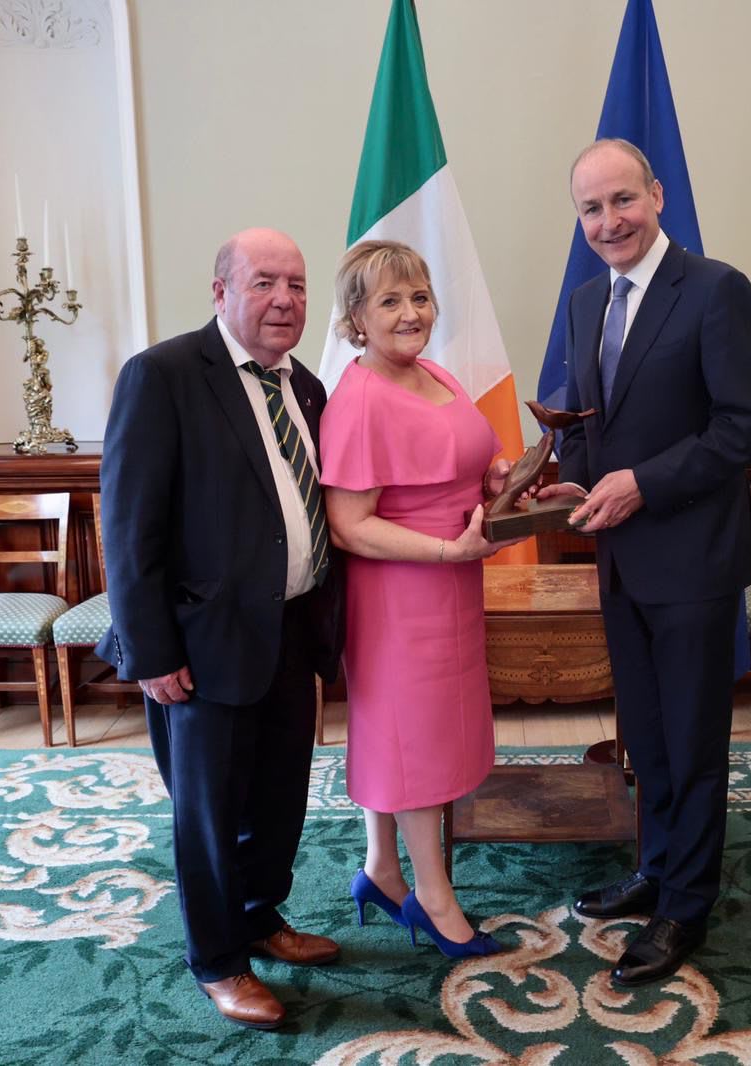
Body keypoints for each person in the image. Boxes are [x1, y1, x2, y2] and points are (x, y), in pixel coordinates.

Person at [538, 139, 751, 985]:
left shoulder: (717, 290)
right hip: (621, 561)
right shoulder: (582, 301)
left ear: (658, 195)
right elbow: (591, 429)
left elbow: (747, 425)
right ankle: (656, 867)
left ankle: (686, 906)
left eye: (622, 201)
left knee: (693, 736)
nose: (609, 222)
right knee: (646, 735)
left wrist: (641, 483)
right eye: (591, 209)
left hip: (694, 558)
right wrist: (559, 484)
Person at [97, 228, 345, 1030]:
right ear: (220, 291)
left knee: (278, 798)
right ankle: (218, 959)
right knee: (207, 810)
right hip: (200, 647)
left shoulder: (307, 387)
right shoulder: (164, 376)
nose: (284, 300)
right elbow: (129, 528)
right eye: (265, 282)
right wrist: (151, 650)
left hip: (290, 634)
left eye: (298, 286)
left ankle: (260, 916)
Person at [320, 239, 524, 959]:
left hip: (453, 583)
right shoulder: (358, 398)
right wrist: (445, 551)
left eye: (420, 297)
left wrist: (499, 477)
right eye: (390, 301)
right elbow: (349, 525)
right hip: (401, 594)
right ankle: (436, 905)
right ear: (355, 318)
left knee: (404, 730)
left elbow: (457, 460)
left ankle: (381, 870)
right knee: (414, 741)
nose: (412, 314)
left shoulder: (434, 372)